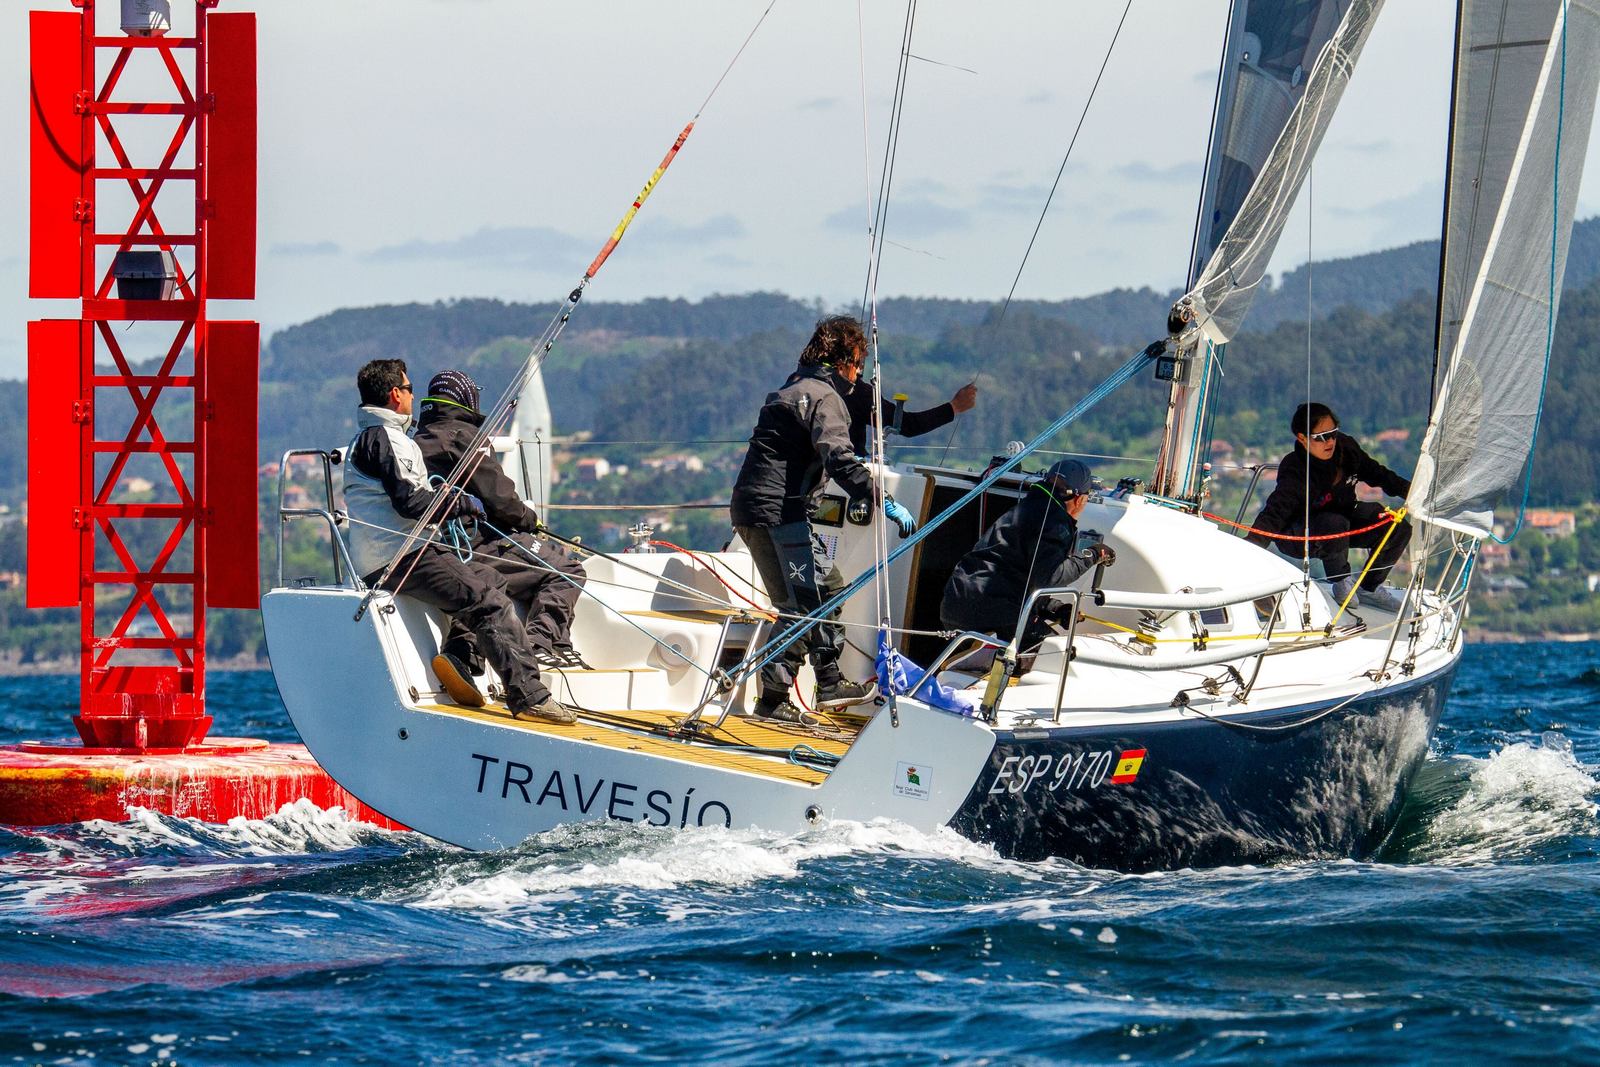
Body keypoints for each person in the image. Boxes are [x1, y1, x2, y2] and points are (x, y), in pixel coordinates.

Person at [341, 358, 576, 725]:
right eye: (409, 388)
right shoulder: (386, 438)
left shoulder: (371, 437)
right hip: (402, 556)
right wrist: (458, 503)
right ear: (395, 394)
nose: (413, 396)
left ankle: (460, 658)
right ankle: (530, 696)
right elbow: (410, 501)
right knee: (489, 602)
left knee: (490, 578)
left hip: (395, 553)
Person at [730, 314, 914, 723]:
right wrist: (884, 501)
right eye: (859, 364)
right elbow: (840, 460)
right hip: (780, 513)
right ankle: (783, 697)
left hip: (754, 510)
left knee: (819, 594)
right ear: (845, 360)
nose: (859, 374)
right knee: (806, 603)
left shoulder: (793, 385)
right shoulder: (825, 397)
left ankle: (820, 685)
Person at [413, 369, 590, 670]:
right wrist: (530, 520)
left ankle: (474, 653)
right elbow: (500, 499)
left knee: (518, 568)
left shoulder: (414, 440)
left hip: (436, 549)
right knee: (567, 570)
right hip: (477, 543)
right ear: (467, 397)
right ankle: (543, 642)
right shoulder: (464, 436)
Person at [1247, 401, 1412, 613]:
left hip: (1341, 520)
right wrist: (1251, 547)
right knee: (1334, 522)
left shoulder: (1346, 449)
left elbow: (1377, 473)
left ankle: (1368, 588)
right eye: (1321, 437)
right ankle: (1340, 581)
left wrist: (1411, 491)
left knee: (1397, 526)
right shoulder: (1296, 468)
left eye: (1333, 433)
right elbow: (1276, 512)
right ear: (1302, 438)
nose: (1330, 441)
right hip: (1299, 534)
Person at [940, 458, 1114, 657]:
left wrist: (1053, 609)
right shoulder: (1055, 522)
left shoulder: (1026, 508)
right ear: (1080, 499)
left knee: (986, 664)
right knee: (1057, 654)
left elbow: (1016, 573)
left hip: (956, 605)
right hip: (993, 613)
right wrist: (1093, 555)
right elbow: (1051, 576)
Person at [840, 373, 978, 456]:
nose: (865, 354)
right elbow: (907, 425)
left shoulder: (827, 387)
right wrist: (954, 407)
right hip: (848, 473)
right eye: (860, 350)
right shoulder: (856, 391)